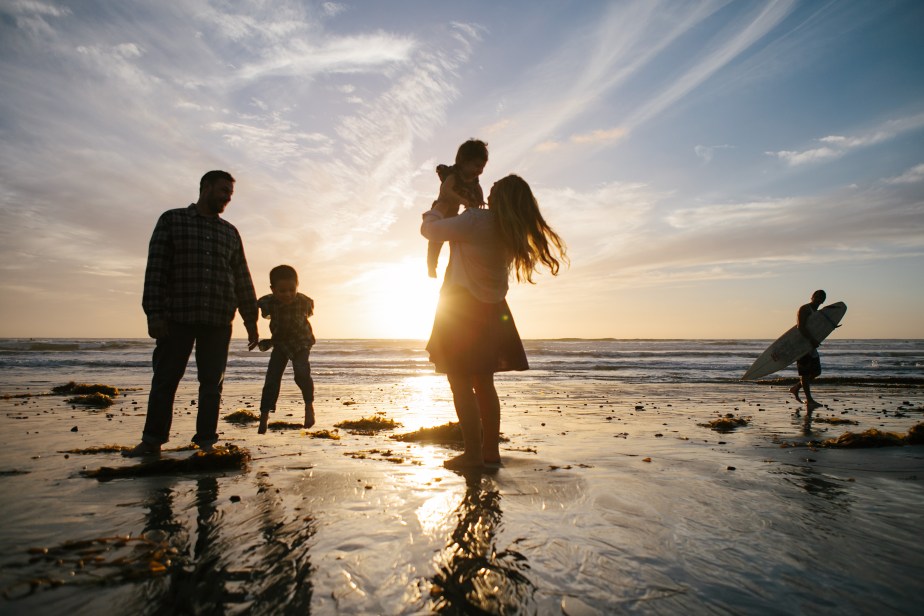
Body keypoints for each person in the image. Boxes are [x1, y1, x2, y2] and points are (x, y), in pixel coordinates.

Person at [421, 174, 567, 469]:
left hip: (461, 308)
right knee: (483, 383)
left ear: (498, 197)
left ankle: (472, 455)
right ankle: (489, 452)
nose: (488, 191)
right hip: (491, 310)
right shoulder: (509, 231)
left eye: (493, 189)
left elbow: (430, 230)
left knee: (459, 381)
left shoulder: (477, 220)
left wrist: (439, 204)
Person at [125, 170, 259, 457]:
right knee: (165, 380)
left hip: (219, 320)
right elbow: (156, 269)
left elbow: (242, 278)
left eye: (230, 194)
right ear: (205, 187)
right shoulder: (172, 220)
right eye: (223, 191)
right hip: (177, 317)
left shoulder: (230, 232)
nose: (226, 198)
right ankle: (152, 441)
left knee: (212, 384)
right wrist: (154, 313)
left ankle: (206, 441)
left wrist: (251, 320)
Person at [256, 264, 316, 434]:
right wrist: (252, 333)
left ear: (297, 286)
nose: (288, 294)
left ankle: (309, 406)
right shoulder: (267, 302)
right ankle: (264, 416)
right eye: (282, 291)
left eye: (291, 290)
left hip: (300, 343)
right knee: (272, 379)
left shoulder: (304, 301)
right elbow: (255, 309)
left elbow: (309, 313)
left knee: (301, 372)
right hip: (280, 343)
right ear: (273, 289)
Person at [426, 139, 489, 278]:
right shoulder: (453, 175)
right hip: (441, 209)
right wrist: (461, 200)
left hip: (454, 212)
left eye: (482, 167)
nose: (479, 170)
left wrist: (479, 201)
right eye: (477, 165)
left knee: (455, 239)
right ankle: (432, 264)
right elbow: (445, 191)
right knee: (436, 239)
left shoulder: (473, 180)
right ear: (463, 162)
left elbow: (477, 189)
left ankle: (455, 264)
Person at [790, 289, 826, 412]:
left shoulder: (818, 312)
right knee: (805, 374)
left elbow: (817, 327)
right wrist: (811, 340)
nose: (818, 299)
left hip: (811, 346)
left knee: (817, 372)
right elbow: (801, 327)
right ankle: (809, 400)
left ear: (823, 301)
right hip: (801, 346)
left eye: (821, 298)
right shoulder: (804, 309)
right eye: (817, 296)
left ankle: (796, 388)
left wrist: (831, 325)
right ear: (812, 297)